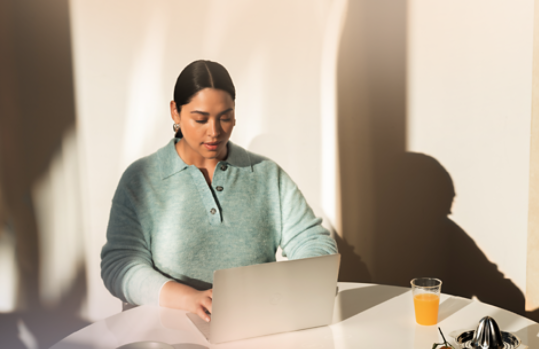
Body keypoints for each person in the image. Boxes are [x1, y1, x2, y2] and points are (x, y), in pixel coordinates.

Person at [101, 60, 338, 322]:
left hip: (253, 328)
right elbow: (119, 265)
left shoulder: (265, 174)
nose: (214, 132)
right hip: (166, 332)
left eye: (225, 117)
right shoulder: (142, 178)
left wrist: (292, 286)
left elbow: (313, 242)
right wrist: (190, 299)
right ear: (175, 112)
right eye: (200, 119)